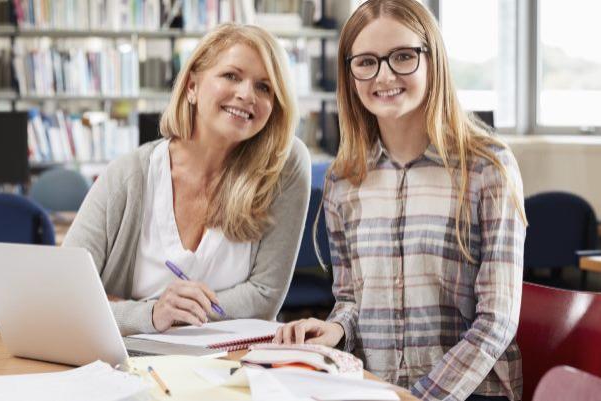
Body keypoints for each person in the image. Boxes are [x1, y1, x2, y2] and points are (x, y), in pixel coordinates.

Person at [273, 1, 526, 401]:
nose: (384, 75)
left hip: (470, 393)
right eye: (366, 62)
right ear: (350, 72)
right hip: (374, 389)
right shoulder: (345, 178)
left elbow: (496, 321)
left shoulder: (488, 168)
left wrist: (419, 397)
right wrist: (335, 329)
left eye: (403, 57)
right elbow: (351, 299)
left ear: (433, 60)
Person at [63, 23, 311, 336]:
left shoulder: (283, 165)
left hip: (231, 364)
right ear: (192, 86)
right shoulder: (128, 175)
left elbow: (263, 297)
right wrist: (152, 313)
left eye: (264, 87)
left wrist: (136, 309)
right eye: (231, 75)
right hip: (130, 363)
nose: (247, 94)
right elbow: (66, 295)